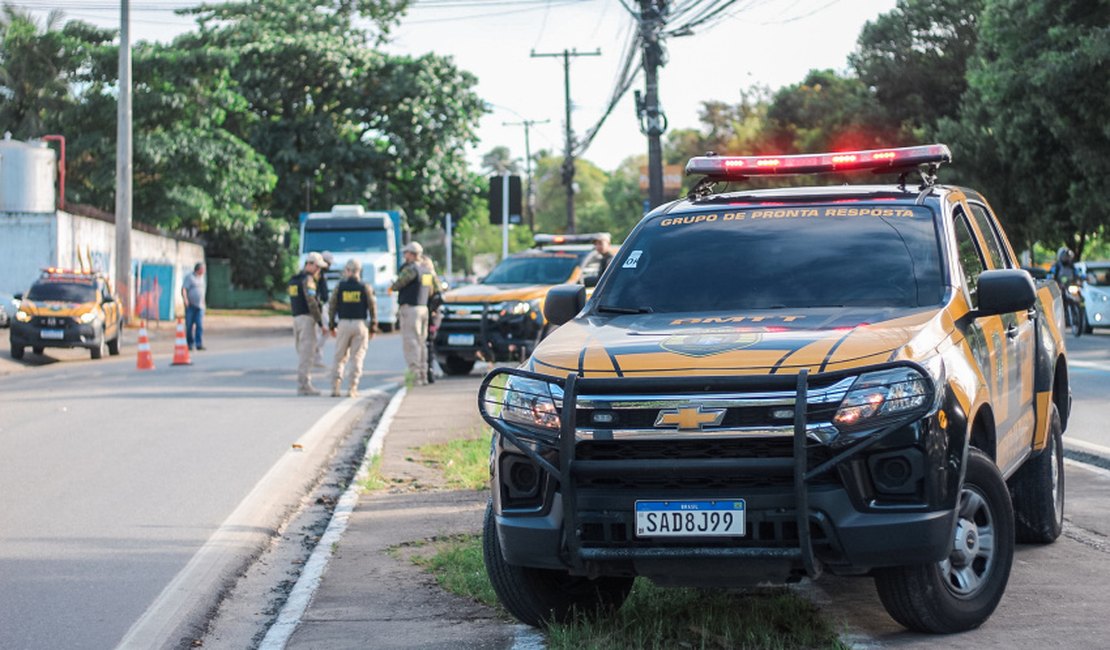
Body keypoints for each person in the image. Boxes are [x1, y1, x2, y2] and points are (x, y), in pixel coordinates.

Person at [328, 258, 377, 397]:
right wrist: (373, 326)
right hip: (360, 324)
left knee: (339, 357)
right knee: (357, 357)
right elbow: (372, 307)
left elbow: (332, 306)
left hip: (343, 324)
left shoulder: (340, 286)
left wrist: (332, 325)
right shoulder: (365, 287)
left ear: (347, 270)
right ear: (359, 271)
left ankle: (335, 387)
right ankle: (352, 388)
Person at [391, 241, 434, 385]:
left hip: (411, 309)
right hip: (423, 308)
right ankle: (423, 374)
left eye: (406, 253)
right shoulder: (426, 271)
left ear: (411, 254)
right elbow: (430, 290)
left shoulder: (411, 270)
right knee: (422, 343)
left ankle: (415, 377)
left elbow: (397, 285)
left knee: (411, 343)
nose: (404, 256)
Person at [288, 252, 326, 395]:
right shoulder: (308, 280)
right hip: (306, 319)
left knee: (302, 352)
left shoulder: (294, 279)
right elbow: (312, 302)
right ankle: (304, 386)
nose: (318, 271)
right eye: (317, 267)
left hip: (296, 319)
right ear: (309, 265)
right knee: (307, 354)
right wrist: (320, 321)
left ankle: (303, 384)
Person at [313, 251, 335, 368]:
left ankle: (317, 357)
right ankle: (315, 351)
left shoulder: (322, 274)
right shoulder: (317, 274)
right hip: (319, 306)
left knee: (322, 332)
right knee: (324, 330)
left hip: (322, 305)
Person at [181, 262, 206, 351]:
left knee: (199, 325)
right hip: (191, 306)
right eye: (203, 269)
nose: (204, 271)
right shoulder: (190, 277)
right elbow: (184, 289)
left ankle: (198, 344)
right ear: (199, 269)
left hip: (200, 306)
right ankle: (190, 344)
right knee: (189, 325)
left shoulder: (202, 278)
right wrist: (185, 299)